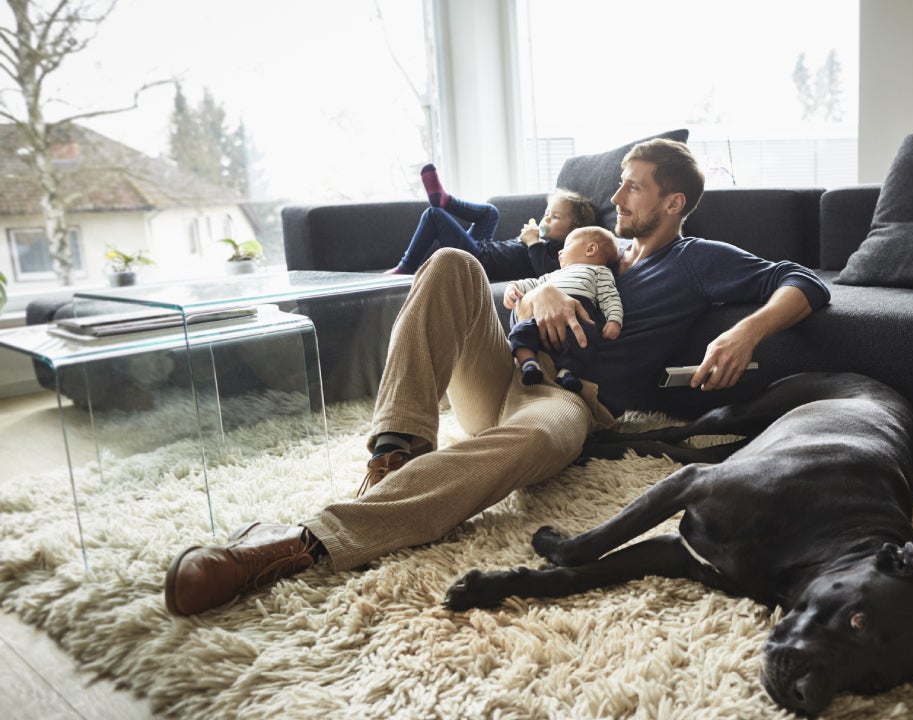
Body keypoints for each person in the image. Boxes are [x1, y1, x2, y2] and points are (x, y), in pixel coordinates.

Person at [163, 138, 832, 617]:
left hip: (569, 402)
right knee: (453, 261)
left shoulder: (694, 259)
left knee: (542, 440)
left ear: (673, 200)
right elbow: (531, 283)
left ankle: (297, 545)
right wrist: (532, 293)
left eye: (633, 184)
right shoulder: (601, 250)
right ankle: (392, 457)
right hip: (503, 372)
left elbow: (799, 280)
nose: (614, 194)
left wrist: (745, 331)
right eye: (618, 181)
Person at [385, 164, 595, 280]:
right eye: (548, 212)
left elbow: (549, 275)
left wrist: (533, 243)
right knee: (491, 213)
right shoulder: (545, 239)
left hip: (479, 263)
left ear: (573, 231)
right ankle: (445, 200)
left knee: (434, 216)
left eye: (555, 217)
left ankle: (406, 267)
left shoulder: (561, 252)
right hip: (483, 250)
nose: (547, 218)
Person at [505, 226, 623, 394]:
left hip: (579, 314)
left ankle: (567, 372)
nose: (560, 252)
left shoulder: (600, 272)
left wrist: (614, 320)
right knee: (520, 331)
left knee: (588, 338)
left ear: (590, 249)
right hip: (541, 312)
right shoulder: (555, 274)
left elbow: (610, 297)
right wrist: (513, 287)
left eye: (566, 246)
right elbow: (531, 283)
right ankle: (529, 364)